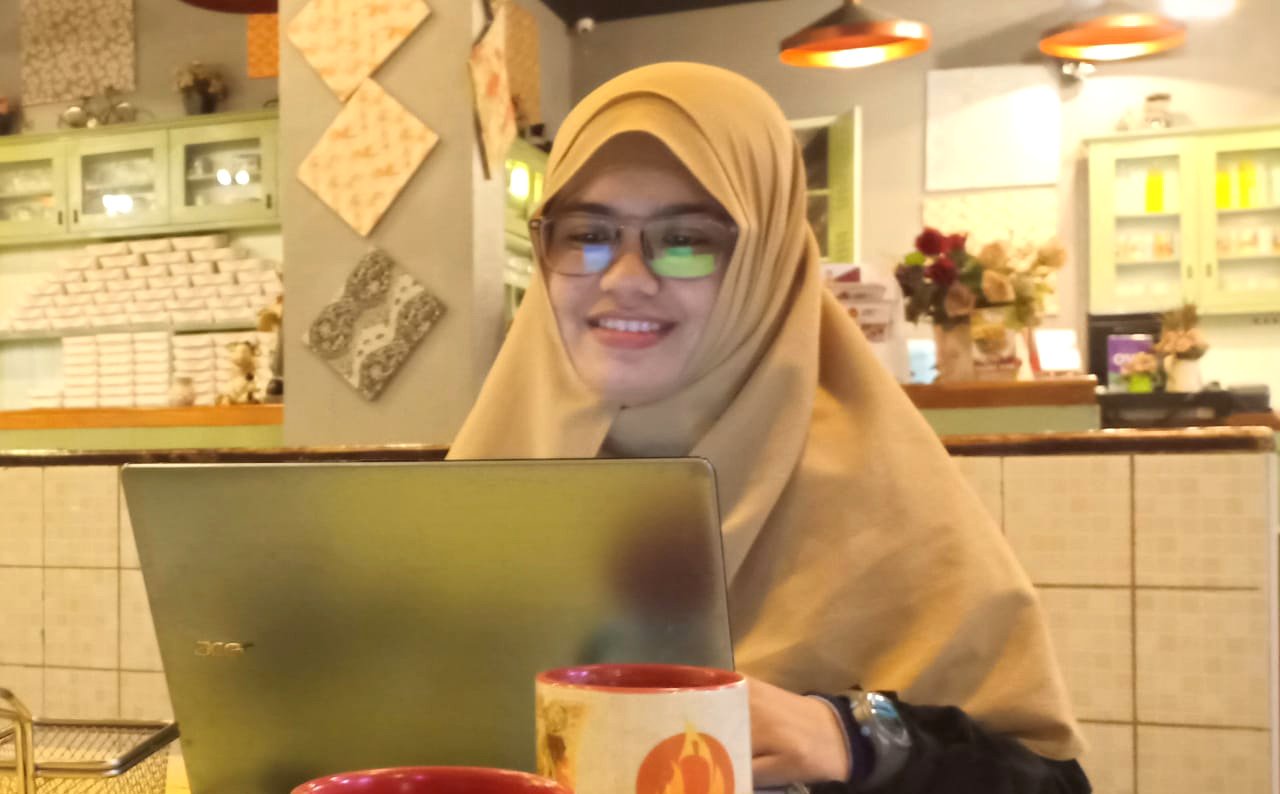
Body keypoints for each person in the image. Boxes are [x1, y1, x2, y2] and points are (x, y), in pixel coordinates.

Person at [449, 62, 1090, 794]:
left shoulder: (878, 500)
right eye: (587, 234)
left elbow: (1053, 783)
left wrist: (855, 737)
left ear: (767, 257)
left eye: (685, 238)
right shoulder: (495, 473)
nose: (624, 277)